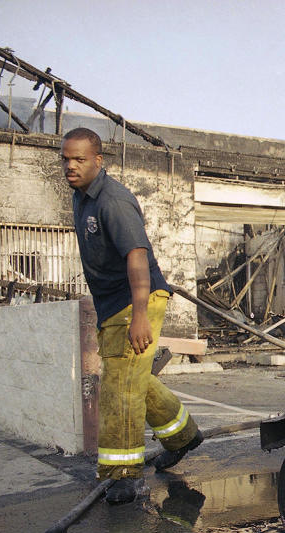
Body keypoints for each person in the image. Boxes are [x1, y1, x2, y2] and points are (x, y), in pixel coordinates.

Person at [62, 127, 203, 504]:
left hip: (136, 299)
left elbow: (137, 257)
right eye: (66, 159)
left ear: (98, 160)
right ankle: (184, 435)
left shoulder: (113, 201)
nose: (71, 167)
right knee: (132, 376)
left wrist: (140, 315)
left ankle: (123, 474)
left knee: (120, 388)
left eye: (79, 159)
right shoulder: (81, 198)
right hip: (113, 303)